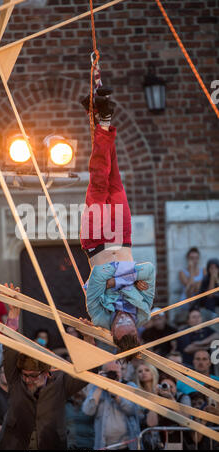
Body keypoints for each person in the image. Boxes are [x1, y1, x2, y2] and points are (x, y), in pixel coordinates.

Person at [80, 89, 155, 355]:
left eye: (119, 324)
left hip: (96, 241)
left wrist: (122, 280)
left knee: (98, 178)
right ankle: (100, 119)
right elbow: (148, 270)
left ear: (112, 333)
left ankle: (101, 119)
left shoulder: (98, 316)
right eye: (129, 324)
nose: (124, 318)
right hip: (121, 237)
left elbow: (99, 275)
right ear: (137, 330)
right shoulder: (143, 311)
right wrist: (119, 281)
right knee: (113, 172)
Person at [0, 292, 94, 450]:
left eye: (33, 376)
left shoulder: (60, 383)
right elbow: (9, 348)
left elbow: (88, 373)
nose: (27, 380)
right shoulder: (15, 379)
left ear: (46, 373)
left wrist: (88, 340)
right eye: (25, 375)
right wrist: (13, 314)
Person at [82, 360, 140, 450]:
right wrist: (100, 385)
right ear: (103, 373)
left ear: (121, 372)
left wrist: (116, 396)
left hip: (127, 445)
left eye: (115, 372)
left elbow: (133, 411)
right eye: (110, 372)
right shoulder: (97, 388)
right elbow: (87, 411)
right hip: (104, 445)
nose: (113, 375)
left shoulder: (130, 386)